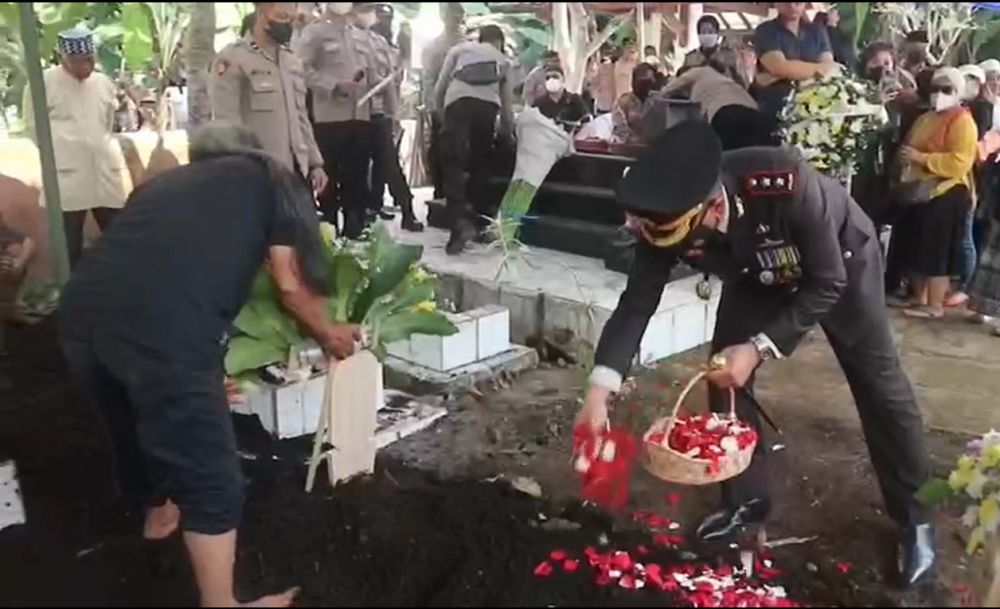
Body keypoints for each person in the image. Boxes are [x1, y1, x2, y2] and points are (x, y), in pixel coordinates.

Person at [575, 120, 935, 588]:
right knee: (723, 374)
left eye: (682, 236)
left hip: (839, 263)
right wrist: (600, 391)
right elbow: (636, 304)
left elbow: (827, 282)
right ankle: (746, 500)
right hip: (758, 273)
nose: (677, 247)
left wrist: (761, 347)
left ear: (708, 207)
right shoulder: (663, 213)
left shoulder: (781, 179)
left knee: (879, 383)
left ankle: (916, 518)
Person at [59, 124, 361, 608]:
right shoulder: (271, 182)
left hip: (81, 314)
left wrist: (196, 370)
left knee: (133, 428)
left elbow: (176, 266)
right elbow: (288, 283)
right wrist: (329, 332)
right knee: (213, 476)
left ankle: (158, 520)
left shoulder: (170, 185)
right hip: (162, 327)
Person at [23, 28, 126, 269]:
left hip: (103, 173)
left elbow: (107, 123)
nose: (86, 66)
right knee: (69, 247)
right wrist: (65, 151)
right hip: (66, 177)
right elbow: (33, 127)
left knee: (119, 237)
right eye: (79, 61)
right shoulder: (43, 82)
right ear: (64, 60)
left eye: (90, 59)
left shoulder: (102, 82)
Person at [211, 2, 327, 197]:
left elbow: (301, 116)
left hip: (296, 171)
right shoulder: (233, 59)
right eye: (281, 17)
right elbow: (227, 124)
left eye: (290, 20)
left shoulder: (291, 61)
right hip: (258, 173)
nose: (286, 25)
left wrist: (316, 163)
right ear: (261, 11)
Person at [891, 67, 977, 320]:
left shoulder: (962, 121)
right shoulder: (927, 118)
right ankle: (920, 298)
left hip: (947, 192)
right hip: (918, 191)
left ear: (958, 92)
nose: (939, 94)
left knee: (937, 252)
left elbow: (960, 162)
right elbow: (909, 144)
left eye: (947, 89)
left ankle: (935, 304)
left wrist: (921, 158)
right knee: (917, 247)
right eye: (936, 89)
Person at [296, 1, 375, 238]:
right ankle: (328, 232)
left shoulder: (357, 35)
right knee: (328, 178)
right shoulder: (315, 32)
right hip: (329, 118)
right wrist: (332, 86)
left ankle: (354, 232)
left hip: (360, 116)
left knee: (358, 178)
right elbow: (300, 68)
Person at [434, 24, 514, 255]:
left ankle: (459, 224)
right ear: (499, 41)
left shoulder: (460, 50)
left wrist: (443, 115)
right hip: (487, 109)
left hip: (456, 104)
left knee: (453, 165)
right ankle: (479, 221)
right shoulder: (504, 61)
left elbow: (440, 88)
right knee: (481, 164)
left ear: (480, 39)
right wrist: (507, 133)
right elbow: (507, 108)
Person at [355, 2, 423, 232]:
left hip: (379, 114)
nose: (385, 23)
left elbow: (392, 85)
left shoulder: (389, 48)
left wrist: (394, 115)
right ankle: (366, 210)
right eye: (380, 17)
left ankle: (406, 210)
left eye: (388, 19)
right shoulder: (354, 41)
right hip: (355, 113)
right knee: (358, 166)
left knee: (389, 165)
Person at [655, 64, 773, 150]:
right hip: (754, 112)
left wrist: (656, 96)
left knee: (729, 162)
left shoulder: (701, 72)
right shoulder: (723, 81)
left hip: (725, 114)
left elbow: (670, 88)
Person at [753, 2, 836, 120]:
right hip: (778, 106)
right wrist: (818, 69)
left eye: (797, 2)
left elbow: (828, 67)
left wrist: (781, 73)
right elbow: (779, 67)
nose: (792, 6)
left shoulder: (816, 30)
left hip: (814, 105)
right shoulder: (766, 30)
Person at [422, 3, 465, 200]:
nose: (454, 18)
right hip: (441, 104)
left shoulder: (468, 44)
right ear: (442, 16)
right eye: (450, 13)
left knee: (461, 148)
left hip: (463, 104)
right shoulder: (434, 46)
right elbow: (429, 78)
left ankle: (459, 190)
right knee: (439, 147)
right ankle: (439, 188)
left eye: (457, 14)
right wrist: (432, 106)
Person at [0, 211, 34, 358]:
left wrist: (19, 261)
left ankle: (9, 309)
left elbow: (29, 242)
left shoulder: (5, 232)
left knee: (11, 257)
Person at [682, 15, 745, 87]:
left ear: (717, 34)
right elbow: (682, 81)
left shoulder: (729, 56)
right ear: (698, 34)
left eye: (710, 31)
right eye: (703, 31)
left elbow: (741, 82)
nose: (707, 34)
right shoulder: (690, 58)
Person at [612, 62, 659, 144]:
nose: (646, 85)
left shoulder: (659, 101)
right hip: (630, 148)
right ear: (633, 81)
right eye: (643, 81)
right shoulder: (623, 102)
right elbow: (621, 133)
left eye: (649, 81)